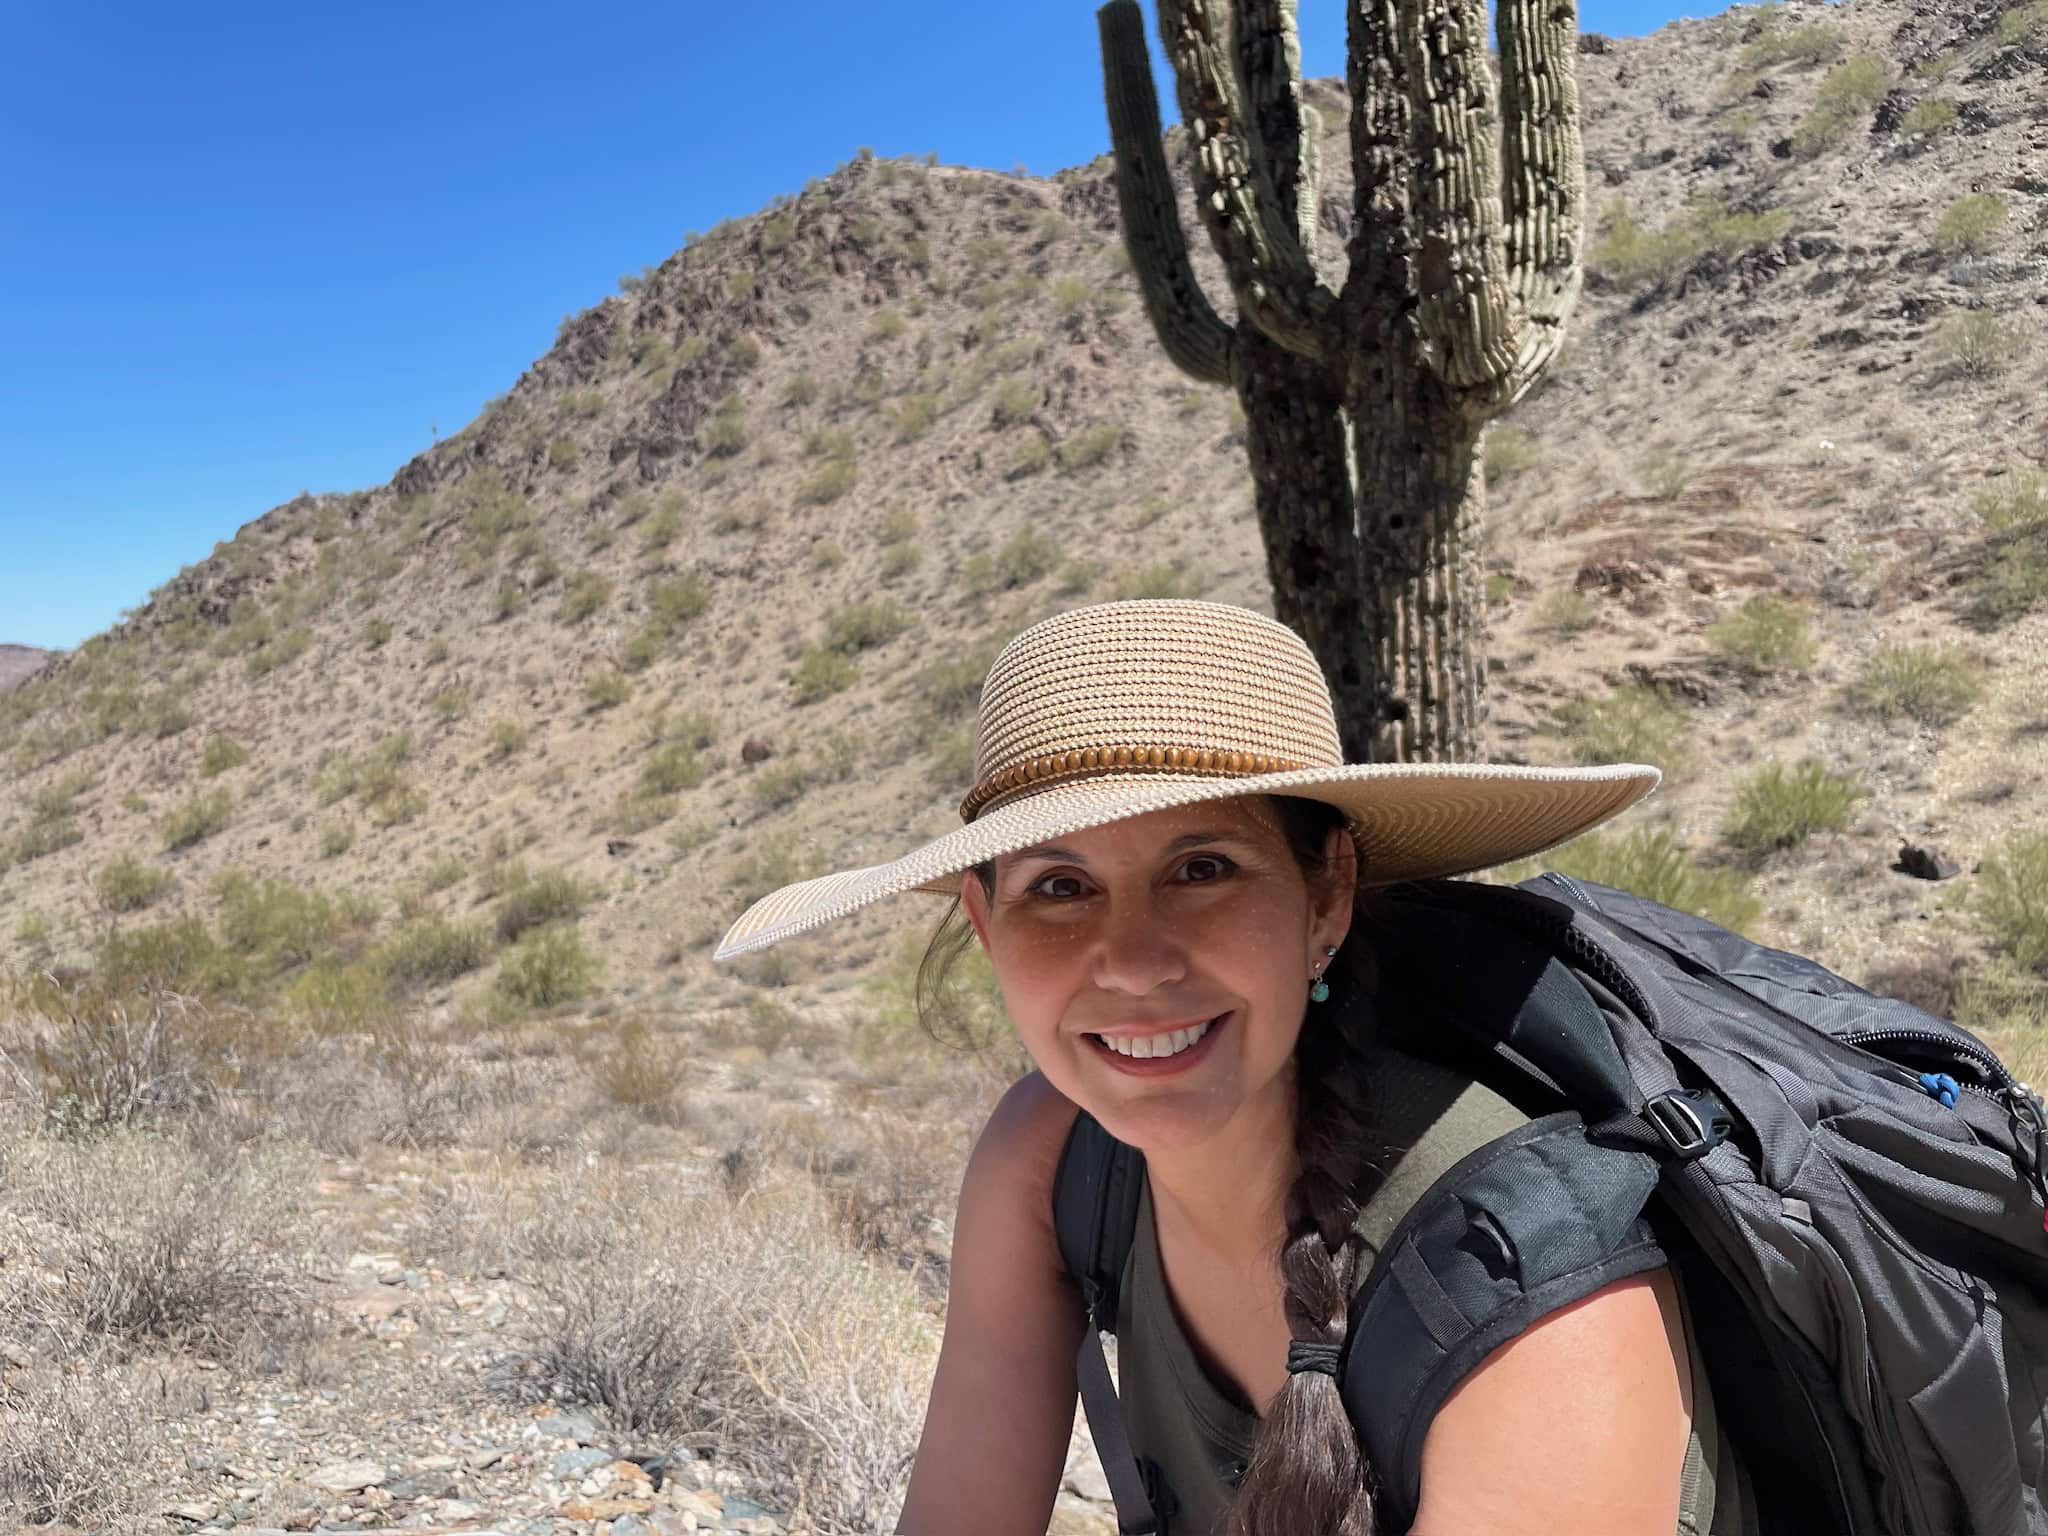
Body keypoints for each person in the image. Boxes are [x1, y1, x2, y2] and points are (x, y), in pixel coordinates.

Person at [716, 599, 1748, 1536]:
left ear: (1327, 894)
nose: (1129, 960)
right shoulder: (1047, 1162)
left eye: (1201, 869)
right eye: (1060, 885)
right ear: (984, 925)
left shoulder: (1528, 1276)